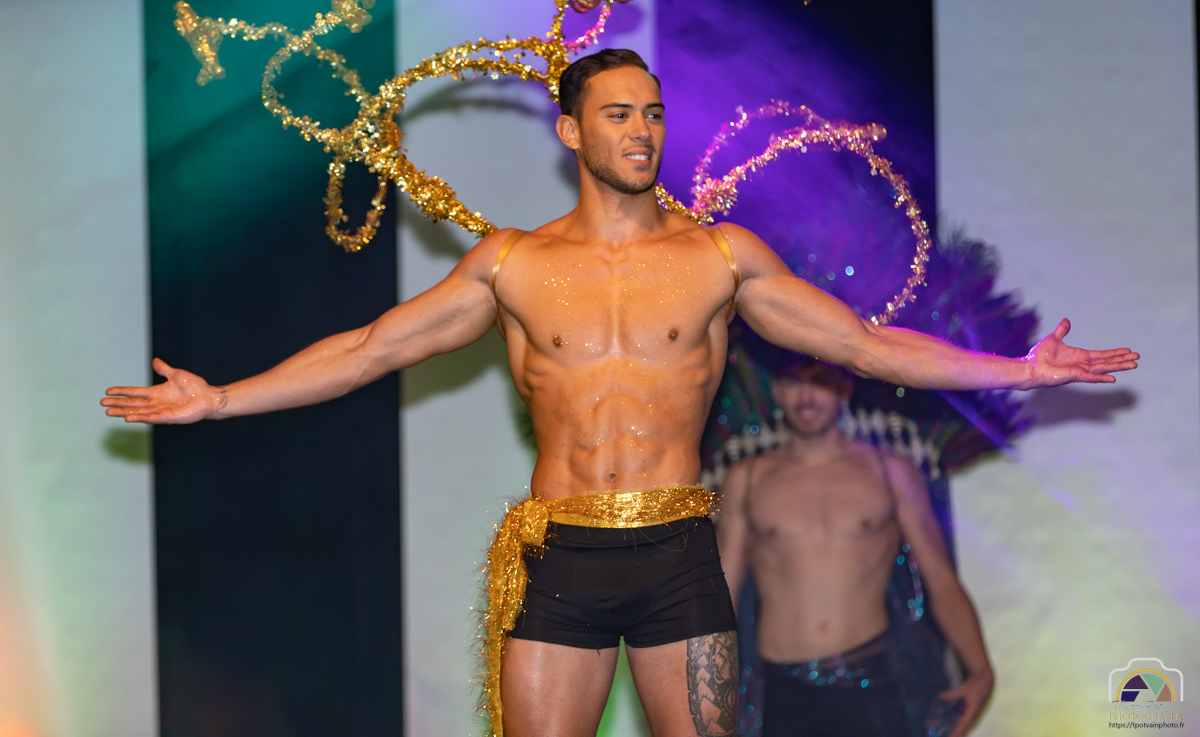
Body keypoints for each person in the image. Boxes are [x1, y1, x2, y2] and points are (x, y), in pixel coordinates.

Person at [101, 48, 1137, 737]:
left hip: (678, 552)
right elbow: (371, 349)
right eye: (618, 114)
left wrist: (1021, 371)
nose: (642, 130)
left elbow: (865, 346)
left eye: (653, 114)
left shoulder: (720, 257)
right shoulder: (512, 265)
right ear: (571, 132)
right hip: (560, 556)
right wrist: (221, 398)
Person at [717, 353, 992, 736]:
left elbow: (940, 580)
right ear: (776, 391)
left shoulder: (890, 471)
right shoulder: (746, 478)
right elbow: (720, 599)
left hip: (875, 685)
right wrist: (695, 693)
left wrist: (980, 671)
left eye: (819, 379)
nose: (805, 395)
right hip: (780, 693)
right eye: (793, 381)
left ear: (845, 386)